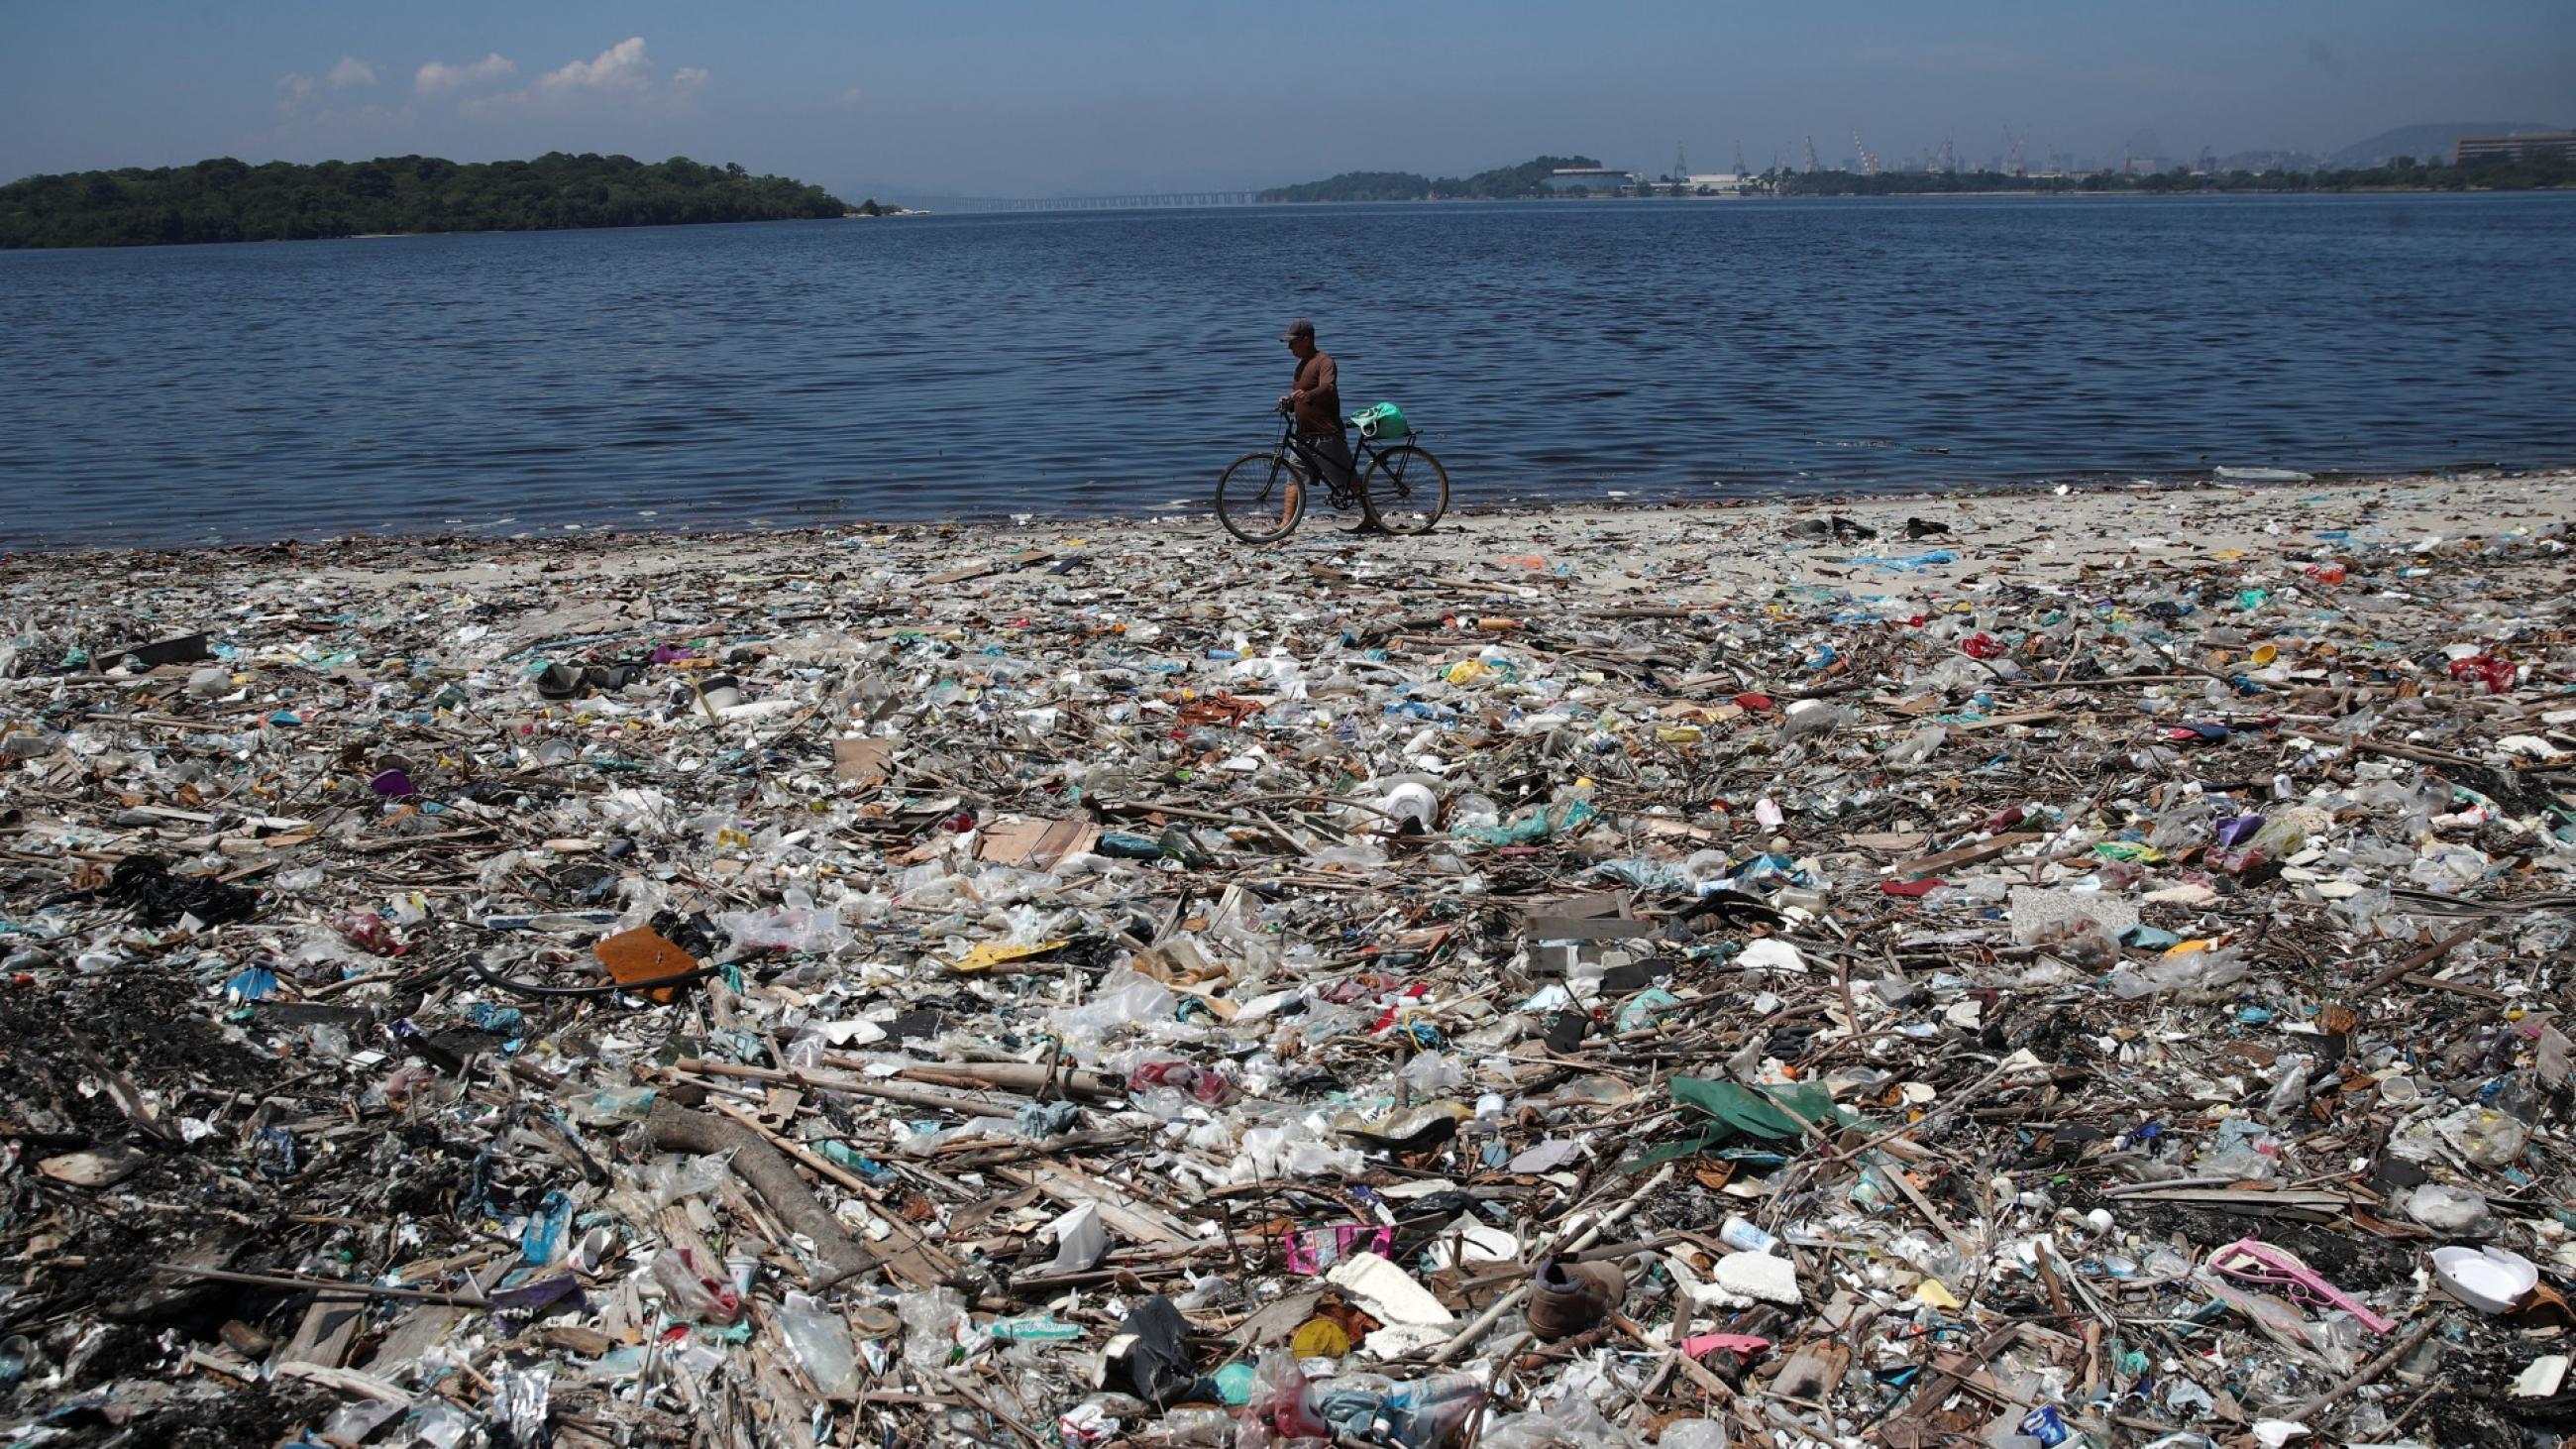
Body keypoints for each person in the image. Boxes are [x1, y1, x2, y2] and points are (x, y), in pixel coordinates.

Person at [1277, 318, 1363, 529]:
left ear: (1306, 339)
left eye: (1293, 342)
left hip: (1326, 434)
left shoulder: (1324, 361)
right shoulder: (1300, 367)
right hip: (1303, 435)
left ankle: (1372, 515)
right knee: (1293, 479)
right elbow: (1301, 398)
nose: (1289, 347)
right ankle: (1285, 525)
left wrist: (1306, 395)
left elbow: (1328, 388)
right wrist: (1289, 403)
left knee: (1348, 480)